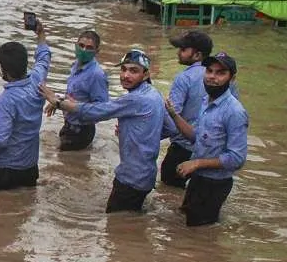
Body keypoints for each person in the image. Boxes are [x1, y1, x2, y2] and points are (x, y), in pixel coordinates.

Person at [41, 49, 176, 213]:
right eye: (123, 69)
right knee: (130, 223)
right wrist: (141, 134)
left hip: (130, 178)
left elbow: (96, 111)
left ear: (146, 75)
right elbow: (171, 128)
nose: (126, 75)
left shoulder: (135, 98)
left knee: (114, 229)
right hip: (146, 176)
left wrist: (57, 101)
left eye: (133, 71)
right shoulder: (155, 94)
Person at [164, 52, 248, 227]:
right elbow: (197, 137)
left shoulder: (234, 112)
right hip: (198, 179)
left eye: (220, 73)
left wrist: (196, 163)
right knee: (186, 228)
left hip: (214, 185)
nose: (212, 77)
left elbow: (237, 158)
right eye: (209, 71)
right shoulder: (206, 101)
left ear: (232, 79)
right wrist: (174, 115)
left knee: (198, 234)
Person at [0, 18, 52, 190]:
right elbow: (44, 59)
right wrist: (41, 35)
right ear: (25, 64)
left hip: (4, 171)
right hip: (30, 168)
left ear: (4, 70)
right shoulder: (37, 81)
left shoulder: (6, 99)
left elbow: (1, 138)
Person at [160, 29, 212, 188]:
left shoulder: (184, 78)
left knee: (167, 193)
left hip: (183, 149)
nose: (178, 53)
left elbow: (171, 117)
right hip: (209, 152)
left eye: (183, 49)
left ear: (197, 55)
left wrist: (150, 137)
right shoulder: (221, 78)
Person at [49, 30, 109, 151]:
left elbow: (103, 109)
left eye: (89, 48)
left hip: (82, 130)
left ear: (97, 52)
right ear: (75, 46)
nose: (84, 50)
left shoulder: (96, 75)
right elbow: (73, 94)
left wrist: (74, 106)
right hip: (69, 124)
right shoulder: (76, 65)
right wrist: (59, 101)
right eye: (81, 46)